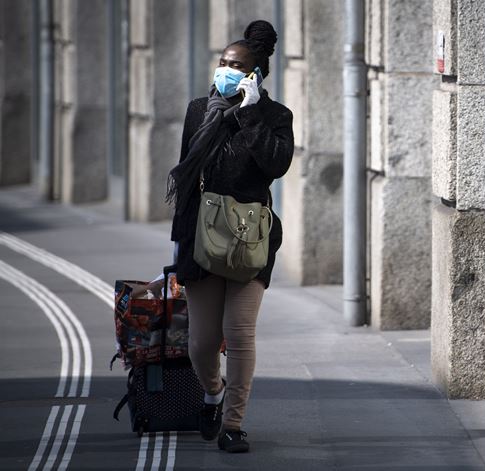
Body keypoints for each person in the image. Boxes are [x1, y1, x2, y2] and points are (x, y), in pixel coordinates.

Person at [165, 20, 293, 453]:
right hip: (201, 238)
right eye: (223, 62)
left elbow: (276, 166)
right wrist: (180, 251)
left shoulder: (275, 116)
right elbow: (186, 180)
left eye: (237, 66)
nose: (226, 70)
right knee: (201, 343)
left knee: (239, 334)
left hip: (250, 238)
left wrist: (250, 114)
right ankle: (213, 393)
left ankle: (234, 424)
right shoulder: (200, 110)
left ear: (255, 74)